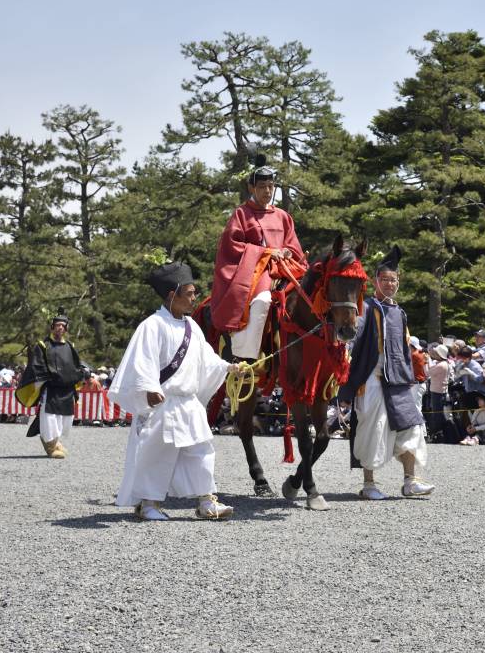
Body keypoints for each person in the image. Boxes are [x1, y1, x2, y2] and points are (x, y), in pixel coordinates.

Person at [110, 262, 248, 521]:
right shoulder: (152, 326)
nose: (195, 298)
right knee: (157, 455)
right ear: (172, 295)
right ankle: (148, 504)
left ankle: (207, 501)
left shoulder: (191, 327)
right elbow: (142, 361)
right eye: (190, 293)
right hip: (164, 403)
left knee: (201, 450)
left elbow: (206, 359)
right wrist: (149, 388)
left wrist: (229, 367)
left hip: (188, 403)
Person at [338, 246, 434, 500]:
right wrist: (345, 387)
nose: (390, 284)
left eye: (394, 280)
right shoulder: (367, 308)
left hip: (400, 382)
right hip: (371, 380)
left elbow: (403, 350)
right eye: (385, 280)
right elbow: (352, 342)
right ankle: (369, 484)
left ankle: (410, 481)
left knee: (411, 428)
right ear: (375, 281)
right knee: (373, 430)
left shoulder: (399, 312)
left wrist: (411, 382)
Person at [210, 155, 307, 362]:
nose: (268, 191)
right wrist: (266, 252)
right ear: (252, 188)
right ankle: (245, 356)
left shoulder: (283, 216)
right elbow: (231, 246)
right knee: (262, 301)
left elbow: (293, 244)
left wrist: (289, 251)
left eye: (271, 186)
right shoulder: (241, 214)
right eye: (262, 186)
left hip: (284, 268)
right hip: (257, 270)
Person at [16, 309, 90, 459]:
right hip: (51, 388)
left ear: (66, 328)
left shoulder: (69, 346)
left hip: (66, 388)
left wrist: (82, 372)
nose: (60, 328)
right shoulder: (43, 345)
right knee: (49, 416)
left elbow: (76, 364)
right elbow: (37, 366)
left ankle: (56, 441)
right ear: (52, 327)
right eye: (57, 325)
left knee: (64, 417)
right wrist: (51, 376)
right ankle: (50, 445)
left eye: (63, 325)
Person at [427, 344, 452, 440]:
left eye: (436, 352)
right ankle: (438, 434)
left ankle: (438, 434)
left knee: (437, 413)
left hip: (437, 392)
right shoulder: (444, 363)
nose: (434, 353)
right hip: (440, 391)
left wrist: (427, 360)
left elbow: (428, 372)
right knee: (438, 412)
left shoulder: (441, 365)